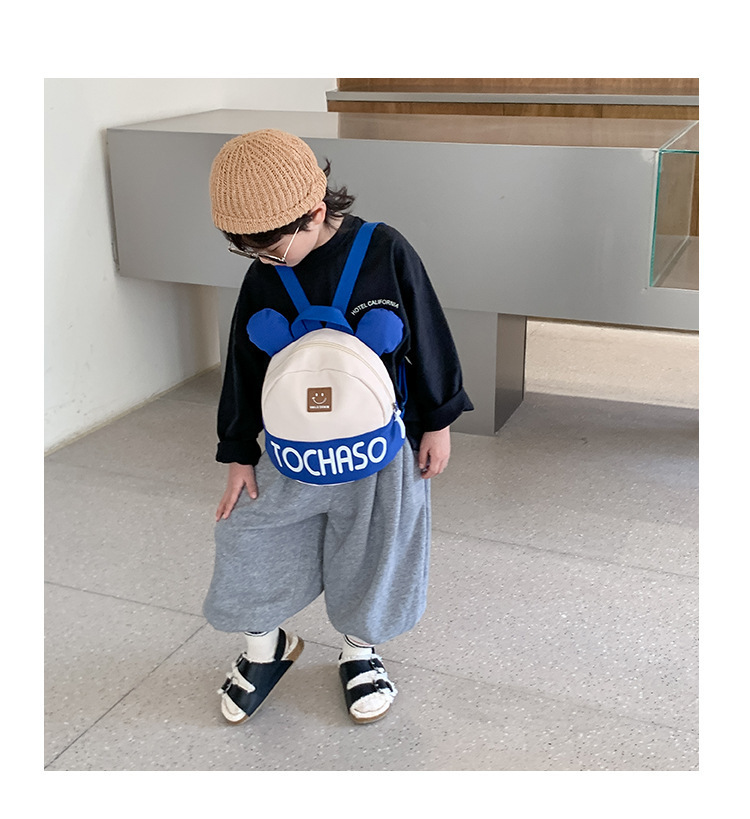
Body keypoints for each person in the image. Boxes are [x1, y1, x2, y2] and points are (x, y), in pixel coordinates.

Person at [203, 129, 473, 725]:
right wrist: (237, 451)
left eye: (273, 248)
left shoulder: (385, 250)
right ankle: (266, 647)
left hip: (381, 445)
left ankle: (360, 650)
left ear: (314, 211)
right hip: (290, 450)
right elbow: (245, 363)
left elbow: (428, 331)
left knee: (377, 546)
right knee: (248, 536)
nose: (267, 261)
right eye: (251, 252)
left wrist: (438, 421)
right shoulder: (265, 271)